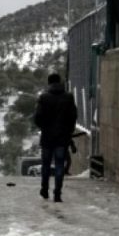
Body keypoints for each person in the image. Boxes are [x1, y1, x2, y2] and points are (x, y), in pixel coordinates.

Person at [33, 73, 78, 202]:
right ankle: (57, 193)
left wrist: (44, 128)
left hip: (47, 138)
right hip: (62, 138)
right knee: (59, 165)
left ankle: (45, 190)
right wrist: (68, 131)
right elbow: (73, 116)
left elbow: (37, 117)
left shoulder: (44, 98)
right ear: (60, 82)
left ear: (49, 83)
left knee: (46, 165)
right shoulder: (68, 97)